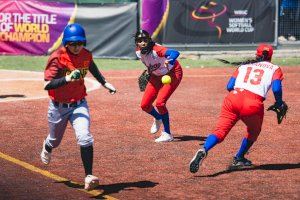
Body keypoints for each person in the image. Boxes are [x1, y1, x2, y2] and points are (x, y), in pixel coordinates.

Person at [40, 23, 116, 190]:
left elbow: (91, 66)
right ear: (66, 43)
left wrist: (105, 82)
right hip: (58, 107)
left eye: (80, 43)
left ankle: (89, 176)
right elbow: (47, 85)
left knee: (85, 137)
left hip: (79, 104)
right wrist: (67, 79)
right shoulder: (57, 57)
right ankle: (47, 146)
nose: (76, 47)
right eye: (73, 44)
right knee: (54, 141)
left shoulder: (85, 54)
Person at [189, 44, 286, 173]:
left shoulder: (244, 66)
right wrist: (279, 102)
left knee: (220, 131)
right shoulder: (275, 68)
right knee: (253, 131)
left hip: (233, 98)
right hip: (253, 103)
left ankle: (204, 149)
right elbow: (276, 88)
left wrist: (239, 95)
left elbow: (229, 86)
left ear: (256, 55)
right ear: (271, 56)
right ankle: (239, 157)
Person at [135, 30, 183, 142]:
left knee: (160, 103)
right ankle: (158, 118)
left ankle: (167, 134)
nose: (142, 42)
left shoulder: (157, 49)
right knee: (145, 105)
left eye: (145, 40)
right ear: (136, 43)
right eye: (139, 41)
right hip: (156, 76)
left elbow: (175, 52)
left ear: (149, 39)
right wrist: (148, 72)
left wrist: (170, 59)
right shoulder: (138, 52)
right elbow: (150, 63)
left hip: (172, 73)